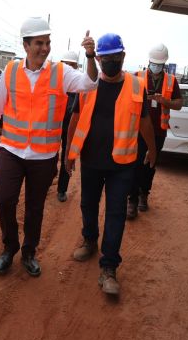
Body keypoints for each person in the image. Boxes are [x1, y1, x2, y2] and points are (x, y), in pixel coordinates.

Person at [0, 18, 98, 277]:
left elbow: (90, 84)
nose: (45, 48)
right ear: (26, 45)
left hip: (43, 156)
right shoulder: (10, 71)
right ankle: (9, 247)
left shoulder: (61, 72)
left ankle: (29, 251)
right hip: (11, 150)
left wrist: (90, 55)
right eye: (39, 43)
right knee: (5, 200)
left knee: (35, 207)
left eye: (48, 43)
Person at [66, 33, 157, 296]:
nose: (111, 63)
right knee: (88, 204)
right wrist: (69, 155)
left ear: (123, 57)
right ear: (100, 59)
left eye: (115, 58)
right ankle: (90, 239)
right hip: (92, 161)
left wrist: (152, 149)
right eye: (106, 59)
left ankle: (109, 268)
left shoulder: (136, 86)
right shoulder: (89, 85)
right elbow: (74, 119)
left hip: (123, 163)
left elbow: (145, 122)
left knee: (116, 213)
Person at [127, 43, 182, 218]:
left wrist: (165, 101)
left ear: (164, 64)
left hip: (158, 131)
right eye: (154, 63)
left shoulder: (171, 81)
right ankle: (132, 200)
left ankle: (144, 194)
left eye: (159, 64)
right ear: (149, 61)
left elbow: (179, 104)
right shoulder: (137, 77)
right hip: (138, 130)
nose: (156, 66)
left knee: (150, 164)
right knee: (135, 164)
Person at [56, 50, 80, 203]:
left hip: (70, 127)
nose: (67, 68)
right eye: (65, 64)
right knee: (49, 156)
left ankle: (62, 189)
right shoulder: (54, 82)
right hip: (53, 125)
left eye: (71, 65)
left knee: (67, 156)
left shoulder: (79, 85)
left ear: (76, 66)